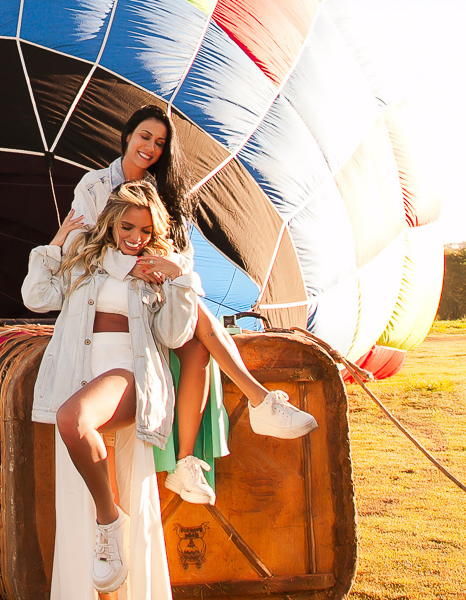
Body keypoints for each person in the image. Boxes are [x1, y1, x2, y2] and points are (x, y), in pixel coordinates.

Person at [60, 104, 317, 506]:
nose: (151, 148)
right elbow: (82, 246)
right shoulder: (94, 186)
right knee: (197, 313)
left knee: (197, 342)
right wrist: (134, 266)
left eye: (160, 143)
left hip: (155, 295)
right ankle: (259, 400)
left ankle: (185, 463)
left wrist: (169, 265)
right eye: (145, 136)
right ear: (127, 136)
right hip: (111, 296)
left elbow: (184, 258)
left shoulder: (164, 195)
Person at [23, 180, 193, 600]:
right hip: (81, 375)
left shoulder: (158, 269)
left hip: (130, 376)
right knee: (93, 489)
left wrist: (176, 276)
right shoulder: (84, 259)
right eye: (126, 226)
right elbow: (36, 296)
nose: (135, 237)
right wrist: (57, 241)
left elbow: (175, 334)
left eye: (145, 229)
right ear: (112, 222)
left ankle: (109, 521)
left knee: (72, 420)